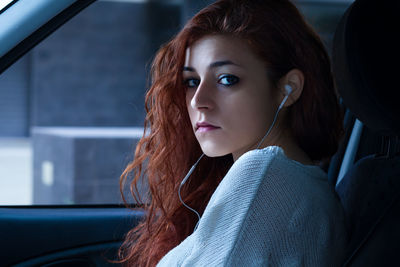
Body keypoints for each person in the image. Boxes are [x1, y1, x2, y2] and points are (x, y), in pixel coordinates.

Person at [118, 0, 348, 266]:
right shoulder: (301, 183)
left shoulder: (265, 174)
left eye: (227, 79)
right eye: (192, 81)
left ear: (289, 89)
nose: (197, 100)